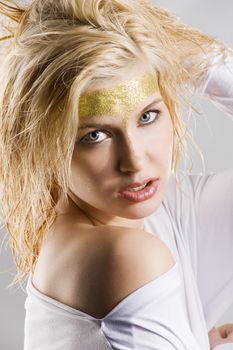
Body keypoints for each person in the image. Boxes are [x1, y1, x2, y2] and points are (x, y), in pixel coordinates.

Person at [0, 0, 232, 349]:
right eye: (94, 135)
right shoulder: (122, 254)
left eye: (148, 116)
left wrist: (184, 56)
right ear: (46, 147)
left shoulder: (159, 212)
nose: (135, 162)